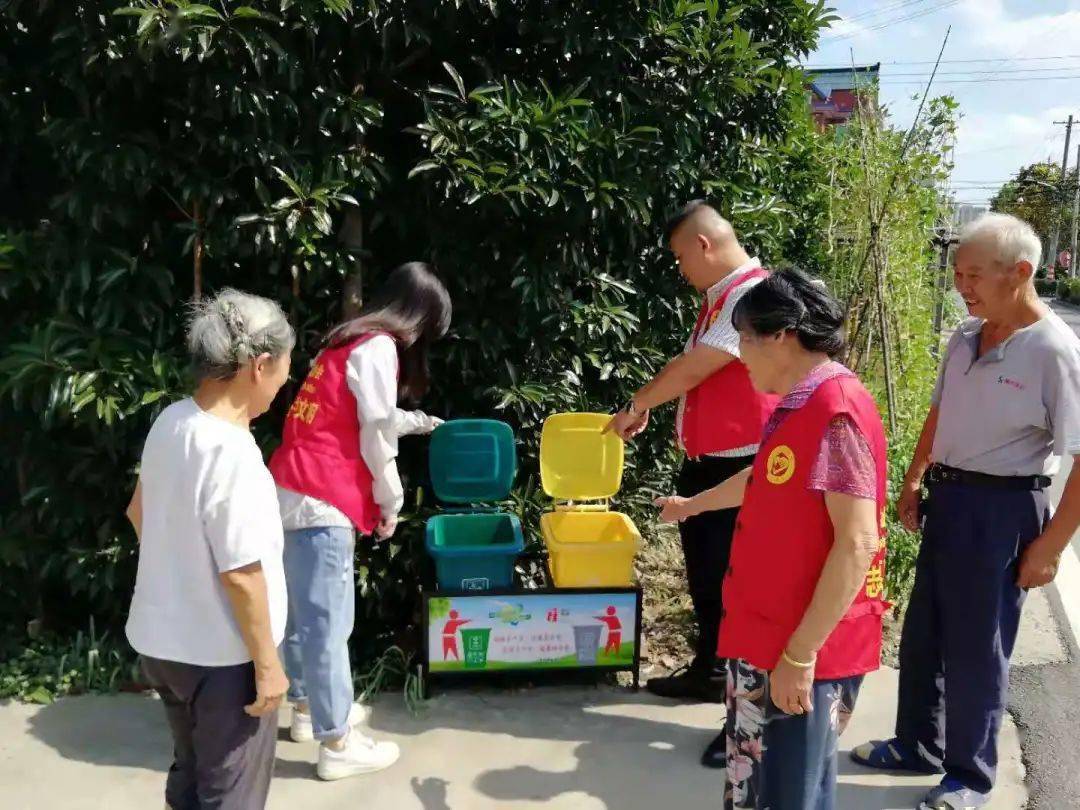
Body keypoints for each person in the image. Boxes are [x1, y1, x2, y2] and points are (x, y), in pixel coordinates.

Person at [851, 213, 1080, 810]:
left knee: (979, 646)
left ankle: (970, 778)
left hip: (1003, 510)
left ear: (1021, 273)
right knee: (926, 631)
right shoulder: (965, 336)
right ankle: (915, 745)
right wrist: (914, 478)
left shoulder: (1055, 351)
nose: (962, 285)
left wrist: (1050, 547)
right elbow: (939, 411)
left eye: (974, 274)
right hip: (948, 499)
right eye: (957, 272)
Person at [657, 269, 888, 810]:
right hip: (765, 640)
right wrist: (692, 506)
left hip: (801, 650)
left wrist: (801, 655)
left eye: (743, 339)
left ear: (781, 336)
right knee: (759, 787)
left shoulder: (836, 413)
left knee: (791, 795)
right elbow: (766, 474)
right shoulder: (800, 402)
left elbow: (858, 543)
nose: (739, 355)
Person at [605, 200, 778, 767]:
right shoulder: (719, 299)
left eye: (681, 257)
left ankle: (745, 723)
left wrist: (639, 402)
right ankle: (710, 674)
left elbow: (697, 367)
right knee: (708, 586)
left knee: (737, 595)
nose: (680, 270)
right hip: (710, 464)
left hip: (742, 468)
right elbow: (703, 375)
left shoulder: (750, 295)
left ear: (703, 245)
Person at [269, 262, 451, 781]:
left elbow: (364, 414)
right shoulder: (380, 348)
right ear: (418, 317)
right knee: (329, 622)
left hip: (290, 487)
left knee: (301, 615)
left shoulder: (343, 343)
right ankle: (339, 743)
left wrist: (420, 422)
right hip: (325, 496)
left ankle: (308, 710)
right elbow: (374, 432)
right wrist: (390, 500)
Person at [125, 289, 295, 810]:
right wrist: (267, 666)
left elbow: (138, 512)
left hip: (164, 645)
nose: (286, 380)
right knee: (230, 793)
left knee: (192, 774)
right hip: (222, 660)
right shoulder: (233, 453)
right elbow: (242, 573)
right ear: (259, 366)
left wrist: (179, 579)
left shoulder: (170, 421)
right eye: (286, 366)